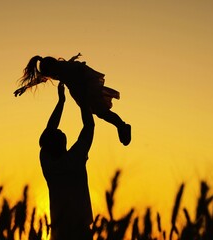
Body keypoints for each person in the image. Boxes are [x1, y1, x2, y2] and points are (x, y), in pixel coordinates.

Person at [14, 53, 131, 146]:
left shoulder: (64, 68)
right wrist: (25, 87)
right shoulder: (58, 70)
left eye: (51, 74)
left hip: (86, 86)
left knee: (100, 113)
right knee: (101, 113)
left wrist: (84, 90)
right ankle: (121, 126)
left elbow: (78, 69)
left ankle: (122, 126)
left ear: (53, 67)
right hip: (80, 90)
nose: (52, 77)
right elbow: (41, 79)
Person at [39, 82, 94, 240]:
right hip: (81, 229)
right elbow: (89, 125)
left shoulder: (47, 162)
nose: (59, 129)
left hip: (59, 230)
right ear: (61, 142)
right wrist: (83, 101)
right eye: (59, 132)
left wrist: (61, 101)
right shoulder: (75, 157)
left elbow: (49, 130)